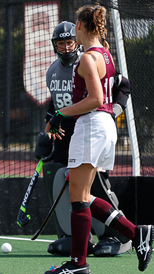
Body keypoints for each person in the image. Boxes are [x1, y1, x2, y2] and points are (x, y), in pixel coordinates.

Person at [44, 5, 153, 274]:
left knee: (78, 198)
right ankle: (136, 233)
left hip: (92, 125)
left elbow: (95, 99)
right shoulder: (106, 53)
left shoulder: (88, 58)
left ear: (80, 26)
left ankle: (78, 264)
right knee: (80, 191)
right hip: (103, 127)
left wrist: (60, 113)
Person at [40, 21, 131, 258]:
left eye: (70, 41)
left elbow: (121, 87)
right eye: (61, 43)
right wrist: (47, 131)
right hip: (66, 129)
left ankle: (115, 235)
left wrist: (114, 111)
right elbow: (55, 104)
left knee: (94, 184)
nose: (67, 47)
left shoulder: (89, 60)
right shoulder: (52, 71)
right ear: (54, 45)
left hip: (89, 125)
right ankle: (74, 238)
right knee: (60, 178)